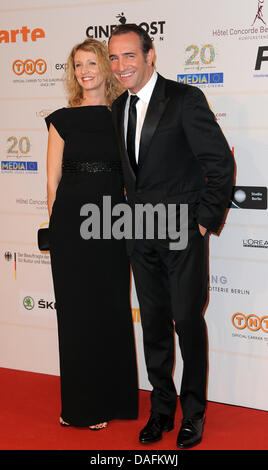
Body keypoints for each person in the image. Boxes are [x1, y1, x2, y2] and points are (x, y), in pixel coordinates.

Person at [108, 24, 234, 448]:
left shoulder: (184, 99)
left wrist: (202, 222)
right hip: (140, 235)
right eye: (114, 57)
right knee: (155, 325)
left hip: (182, 234)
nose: (120, 65)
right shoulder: (116, 109)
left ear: (150, 55)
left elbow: (219, 162)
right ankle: (161, 409)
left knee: (186, 321)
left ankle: (193, 413)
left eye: (128, 56)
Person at [45, 38, 138, 430]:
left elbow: (135, 178)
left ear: (106, 67)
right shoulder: (61, 119)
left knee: (110, 309)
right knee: (75, 313)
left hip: (112, 226)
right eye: (78, 65)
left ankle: (112, 399)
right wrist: (60, 230)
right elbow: (52, 182)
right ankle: (80, 406)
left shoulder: (125, 115)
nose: (84, 71)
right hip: (69, 227)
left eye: (91, 63)